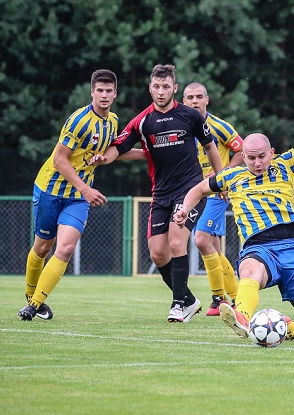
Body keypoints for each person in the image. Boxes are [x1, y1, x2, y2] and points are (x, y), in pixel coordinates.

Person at [173, 98, 294, 341]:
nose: (257, 163)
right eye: (251, 158)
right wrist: (184, 208)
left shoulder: (285, 163)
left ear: (271, 153)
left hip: (292, 247)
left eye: (262, 156)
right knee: (250, 270)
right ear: (244, 157)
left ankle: (285, 329)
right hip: (258, 247)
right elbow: (197, 190)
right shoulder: (231, 175)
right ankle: (241, 315)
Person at [91, 64, 223, 323]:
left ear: (174, 89)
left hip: (190, 190)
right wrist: (103, 159)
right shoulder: (142, 121)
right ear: (150, 88)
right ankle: (187, 299)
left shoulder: (190, 116)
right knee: (158, 253)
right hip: (160, 193)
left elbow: (210, 147)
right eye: (156, 87)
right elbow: (120, 146)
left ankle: (177, 305)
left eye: (166, 87)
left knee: (176, 243)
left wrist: (221, 181)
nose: (161, 92)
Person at [18, 69, 125, 320]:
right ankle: (31, 296)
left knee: (65, 248)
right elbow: (59, 159)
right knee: (42, 247)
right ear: (92, 92)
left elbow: (108, 149)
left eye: (109, 91)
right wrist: (86, 188)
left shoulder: (113, 121)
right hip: (51, 190)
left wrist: (103, 158)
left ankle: (34, 305)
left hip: (77, 198)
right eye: (100, 90)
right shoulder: (78, 120)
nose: (104, 95)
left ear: (115, 94)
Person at [182, 82, 244, 316]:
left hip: (216, 192)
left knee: (200, 240)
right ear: (184, 101)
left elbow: (242, 151)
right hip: (192, 192)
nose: (195, 101)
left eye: (199, 96)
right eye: (190, 97)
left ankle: (219, 298)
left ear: (207, 100)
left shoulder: (219, 126)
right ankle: (232, 298)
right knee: (213, 247)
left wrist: (222, 174)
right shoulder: (182, 127)